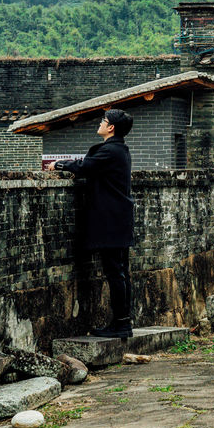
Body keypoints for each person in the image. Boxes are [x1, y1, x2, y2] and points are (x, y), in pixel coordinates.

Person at [49, 108, 135, 339]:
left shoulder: (111, 150)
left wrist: (59, 164)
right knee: (120, 272)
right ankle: (122, 322)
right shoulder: (119, 150)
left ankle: (121, 324)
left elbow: (85, 166)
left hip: (112, 219)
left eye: (103, 121)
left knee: (116, 272)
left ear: (111, 128)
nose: (100, 123)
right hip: (118, 218)